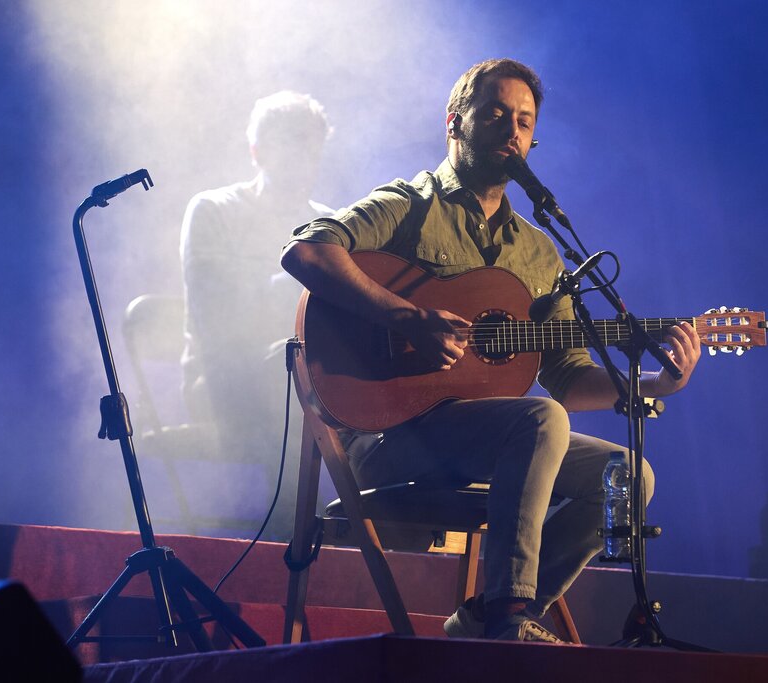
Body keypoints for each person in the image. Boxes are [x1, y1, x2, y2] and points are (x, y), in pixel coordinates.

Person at [280, 59, 701, 642]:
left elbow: (570, 379)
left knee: (628, 473)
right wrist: (405, 316)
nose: (512, 130)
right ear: (455, 123)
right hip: (385, 436)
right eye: (495, 114)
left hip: (480, 441)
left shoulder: (537, 252)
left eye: (524, 121)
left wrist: (655, 384)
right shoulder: (409, 203)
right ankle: (507, 618)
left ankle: (491, 615)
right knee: (537, 418)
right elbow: (306, 251)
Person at [180, 91, 332, 539]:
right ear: (257, 150)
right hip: (224, 381)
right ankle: (299, 536)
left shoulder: (330, 224)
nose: (302, 155)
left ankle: (376, 531)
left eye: (310, 144)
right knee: (289, 371)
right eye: (290, 142)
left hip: (308, 377)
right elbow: (219, 321)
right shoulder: (214, 210)